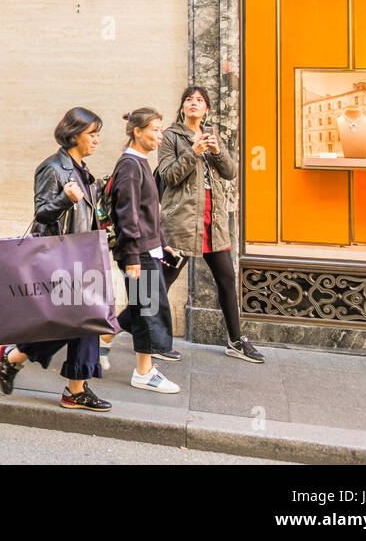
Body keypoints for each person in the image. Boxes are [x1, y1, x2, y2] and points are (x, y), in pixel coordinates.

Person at [0, 108, 112, 411]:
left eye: (98, 133)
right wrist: (65, 199)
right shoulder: (53, 168)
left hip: (82, 256)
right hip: (59, 258)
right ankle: (17, 359)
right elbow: (42, 212)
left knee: (83, 322)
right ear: (74, 135)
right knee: (74, 322)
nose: (97, 140)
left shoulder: (83, 170)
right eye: (92, 134)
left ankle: (72, 387)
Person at [157, 87, 264, 363]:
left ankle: (236, 341)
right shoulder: (171, 136)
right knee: (161, 282)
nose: (194, 103)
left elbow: (230, 172)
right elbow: (168, 176)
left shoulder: (211, 135)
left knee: (227, 279)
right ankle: (150, 339)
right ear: (182, 107)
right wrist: (193, 152)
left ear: (207, 109)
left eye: (200, 100)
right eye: (189, 100)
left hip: (212, 221)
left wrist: (216, 152)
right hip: (182, 221)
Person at [110, 107, 181, 394]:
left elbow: (148, 212)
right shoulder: (130, 165)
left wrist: (161, 242)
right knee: (147, 312)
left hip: (146, 250)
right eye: (154, 129)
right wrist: (132, 258)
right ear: (137, 131)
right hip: (138, 254)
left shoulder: (139, 163)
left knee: (144, 311)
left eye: (161, 130)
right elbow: (127, 216)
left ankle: (141, 367)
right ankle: (144, 372)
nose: (160, 136)